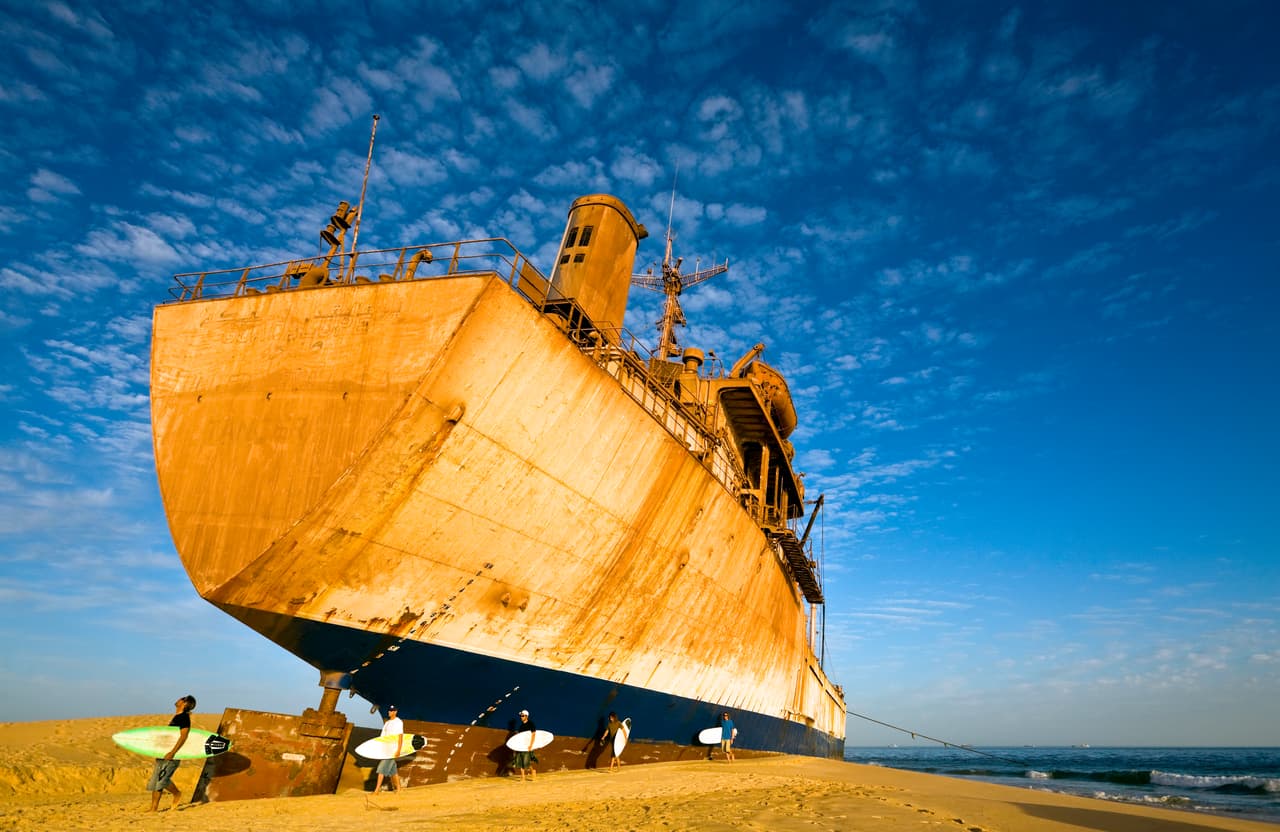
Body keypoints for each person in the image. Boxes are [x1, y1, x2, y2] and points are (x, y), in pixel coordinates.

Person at [147, 694, 196, 812]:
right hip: (164, 753)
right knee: (156, 782)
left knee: (162, 780)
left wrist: (173, 752)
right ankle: (153, 809)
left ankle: (177, 793)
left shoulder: (184, 717)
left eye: (182, 698)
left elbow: (184, 736)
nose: (178, 698)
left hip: (173, 754)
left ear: (184, 703)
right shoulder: (176, 717)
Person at [374, 705, 405, 793]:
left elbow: (400, 736)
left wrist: (399, 750)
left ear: (395, 712)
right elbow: (382, 737)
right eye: (389, 711)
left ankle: (376, 790)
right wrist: (379, 748)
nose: (389, 712)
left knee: (381, 768)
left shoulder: (398, 722)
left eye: (392, 711)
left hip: (393, 749)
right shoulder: (387, 723)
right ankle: (399, 789)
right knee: (393, 771)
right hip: (386, 749)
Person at [512, 709, 538, 781]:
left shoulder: (531, 724)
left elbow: (533, 735)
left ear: (526, 716)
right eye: (521, 716)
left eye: (523, 716)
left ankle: (533, 771)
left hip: (528, 745)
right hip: (522, 746)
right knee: (520, 762)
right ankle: (523, 777)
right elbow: (520, 736)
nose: (521, 717)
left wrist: (531, 745)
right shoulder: (521, 726)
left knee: (526, 762)